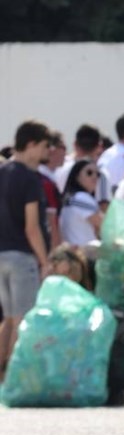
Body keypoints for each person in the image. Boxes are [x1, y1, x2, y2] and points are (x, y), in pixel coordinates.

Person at [0, 120, 50, 378]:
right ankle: (15, 376)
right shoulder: (29, 179)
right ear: (30, 145)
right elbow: (32, 227)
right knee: (22, 319)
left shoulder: (2, 171)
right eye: (43, 146)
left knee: (7, 319)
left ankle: (2, 375)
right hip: (21, 256)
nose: (47, 152)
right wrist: (45, 261)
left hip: (1, 254)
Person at [58, 159, 104, 251]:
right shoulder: (81, 198)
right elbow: (104, 225)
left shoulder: (70, 197)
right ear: (76, 176)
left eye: (98, 174)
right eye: (89, 173)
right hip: (83, 254)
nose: (95, 177)